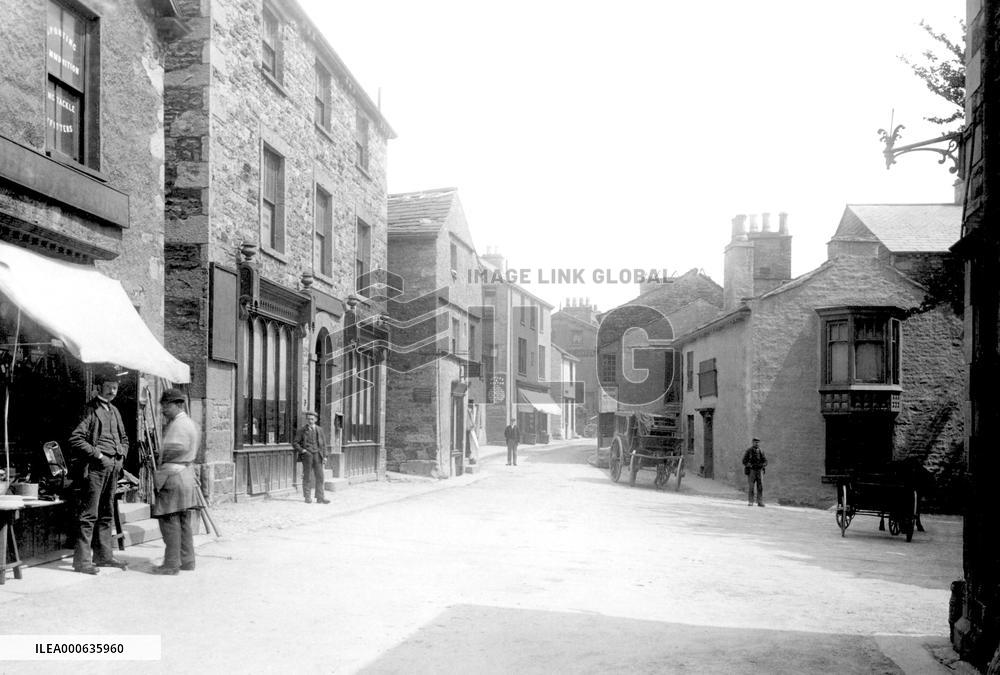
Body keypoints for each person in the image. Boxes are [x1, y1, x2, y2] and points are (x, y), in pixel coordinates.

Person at [68, 365, 130, 574]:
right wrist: (98, 455)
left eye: (115, 387)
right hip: (94, 470)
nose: (112, 391)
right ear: (99, 387)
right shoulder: (90, 410)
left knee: (107, 513)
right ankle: (82, 562)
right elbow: (76, 438)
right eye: (109, 387)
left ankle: (104, 556)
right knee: (89, 515)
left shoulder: (115, 411)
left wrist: (121, 457)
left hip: (113, 468)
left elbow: (124, 439)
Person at [151, 388, 201, 575]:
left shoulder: (179, 425)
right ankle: (187, 561)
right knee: (183, 521)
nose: (163, 409)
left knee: (169, 520)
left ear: (178, 405)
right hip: (186, 475)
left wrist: (161, 457)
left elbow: (176, 448)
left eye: (166, 405)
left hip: (174, 475)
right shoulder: (190, 423)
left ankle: (171, 565)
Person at [293, 411, 329, 504]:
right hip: (307, 456)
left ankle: (320, 497)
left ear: (315, 420)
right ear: (307, 420)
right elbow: (295, 443)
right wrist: (302, 450)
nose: (310, 421)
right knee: (307, 477)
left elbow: (324, 444)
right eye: (308, 419)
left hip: (318, 455)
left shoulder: (319, 430)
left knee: (320, 476)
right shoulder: (302, 430)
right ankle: (307, 497)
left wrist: (325, 456)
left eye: (312, 419)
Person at [742, 437, 768, 507]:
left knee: (760, 487)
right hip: (752, 471)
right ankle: (751, 501)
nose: (757, 444)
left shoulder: (761, 451)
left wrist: (763, 464)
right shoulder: (749, 451)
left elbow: (765, 461)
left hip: (760, 471)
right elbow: (744, 461)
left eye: (758, 442)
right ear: (752, 443)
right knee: (751, 487)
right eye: (755, 442)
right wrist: (750, 465)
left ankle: (760, 501)